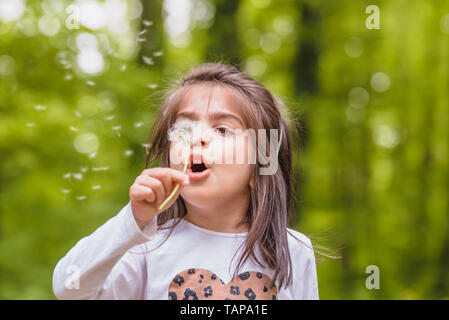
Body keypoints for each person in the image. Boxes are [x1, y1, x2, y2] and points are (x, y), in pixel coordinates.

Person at [52, 62, 319, 300]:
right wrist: (132, 221)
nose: (198, 138)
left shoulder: (293, 251)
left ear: (263, 164)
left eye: (223, 129)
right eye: (184, 129)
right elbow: (69, 289)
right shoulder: (146, 247)